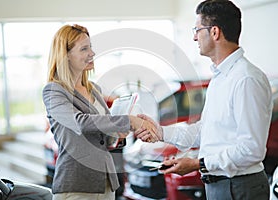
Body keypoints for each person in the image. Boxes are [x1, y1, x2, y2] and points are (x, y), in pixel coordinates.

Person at [135, 0, 273, 199]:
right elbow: (205, 130)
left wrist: (198, 164)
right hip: (219, 186)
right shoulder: (220, 77)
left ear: (215, 32)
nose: (194, 37)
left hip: (238, 188)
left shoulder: (246, 79)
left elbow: (251, 150)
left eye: (197, 29)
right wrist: (160, 131)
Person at [42, 24, 156, 200]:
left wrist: (120, 133)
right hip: (76, 186)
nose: (92, 53)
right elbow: (81, 123)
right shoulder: (54, 91)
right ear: (66, 56)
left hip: (106, 183)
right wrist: (128, 120)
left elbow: (106, 138)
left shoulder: (94, 89)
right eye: (84, 49)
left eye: (91, 47)